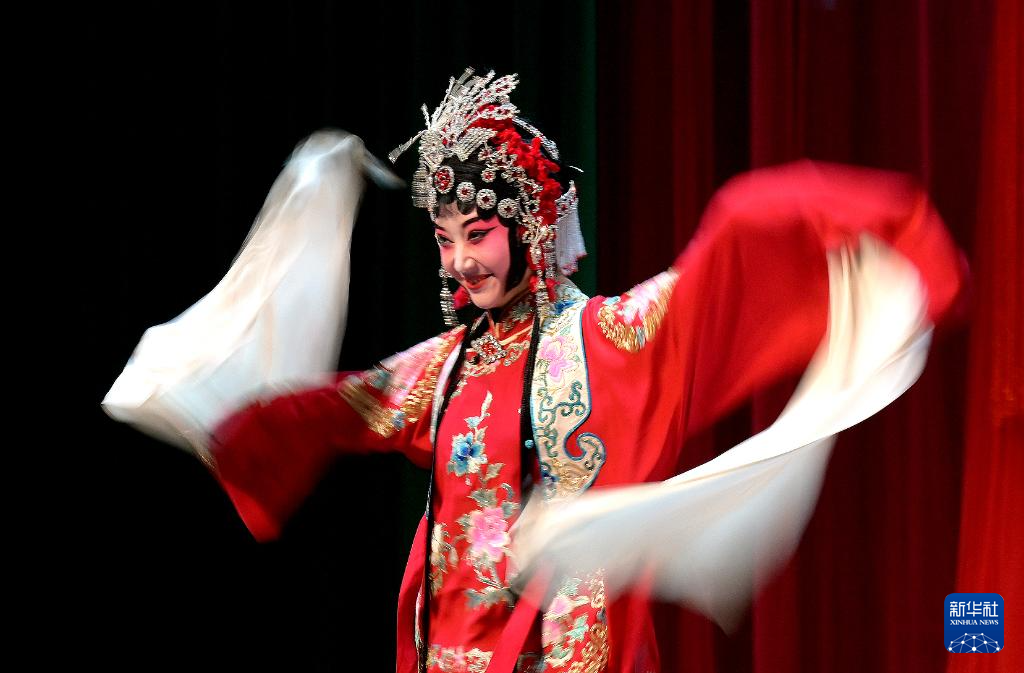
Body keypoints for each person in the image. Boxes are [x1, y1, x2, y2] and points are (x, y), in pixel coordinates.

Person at [106, 69, 964, 673]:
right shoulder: (442, 368)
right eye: (444, 238)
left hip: (568, 651)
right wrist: (209, 407)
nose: (459, 261)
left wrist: (883, 234)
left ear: (531, 225)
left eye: (477, 234)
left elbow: (727, 264)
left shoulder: (610, 335)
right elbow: (334, 408)